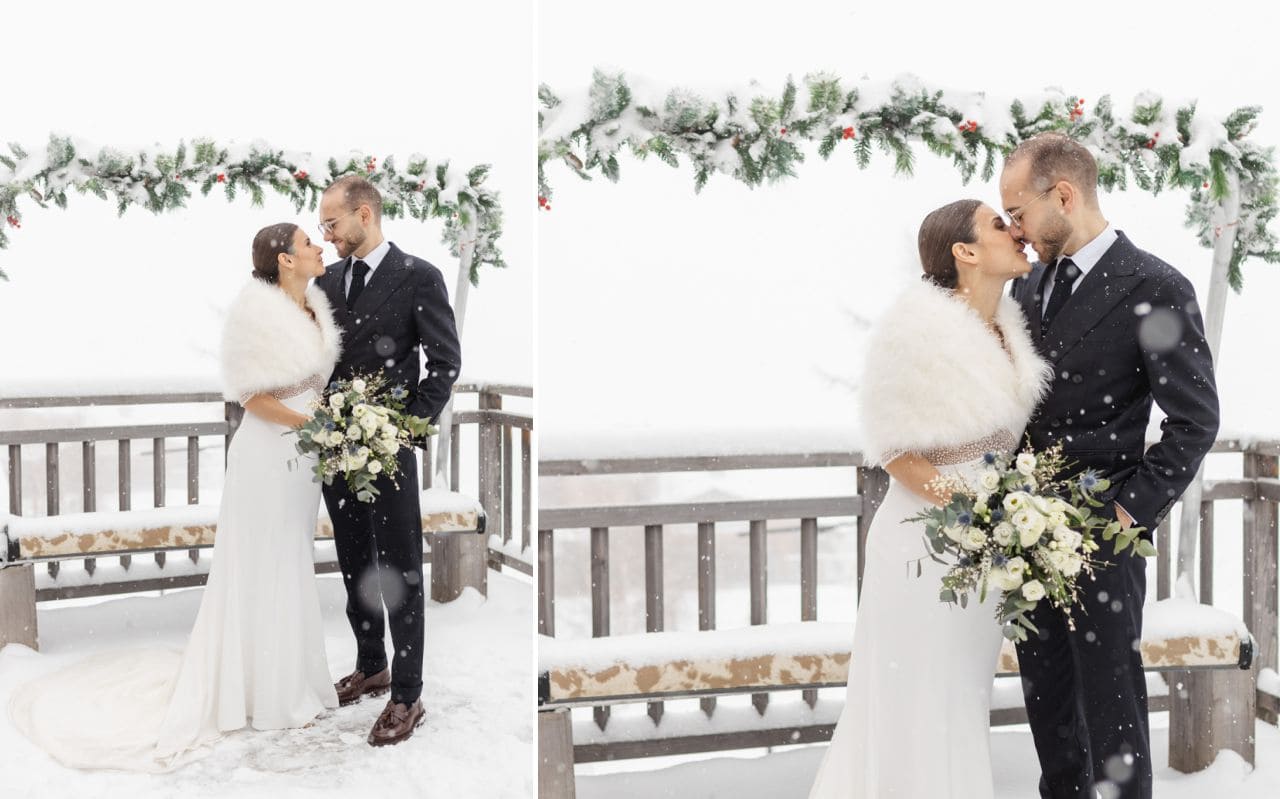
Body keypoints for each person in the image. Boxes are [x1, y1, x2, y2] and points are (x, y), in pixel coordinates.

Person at [9, 223, 343, 770]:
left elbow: (318, 382)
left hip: (303, 461)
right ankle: (259, 691)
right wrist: (310, 424)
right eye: (308, 242)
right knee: (262, 564)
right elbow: (251, 396)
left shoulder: (316, 307)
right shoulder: (253, 313)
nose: (319, 247)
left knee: (291, 560)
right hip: (267, 455)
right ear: (285, 259)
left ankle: (289, 680)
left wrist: (324, 426)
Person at [1001, 132, 1219, 799]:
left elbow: (1194, 420)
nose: (1016, 231)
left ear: (1063, 195)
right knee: (1049, 708)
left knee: (1111, 712)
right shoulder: (1027, 283)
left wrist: (1127, 513)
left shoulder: (1156, 285)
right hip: (1027, 537)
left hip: (1104, 540)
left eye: (1018, 213)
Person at [809, 199, 1051, 797]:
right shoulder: (912, 330)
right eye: (999, 225)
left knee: (960, 697)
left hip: (988, 546)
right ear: (964, 251)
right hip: (924, 541)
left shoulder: (1011, 325)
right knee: (912, 698)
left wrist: (1005, 519)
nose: (1017, 232)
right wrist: (976, 512)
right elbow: (895, 451)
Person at [313, 175, 462, 746]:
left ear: (365, 215)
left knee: (400, 571)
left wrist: (403, 430)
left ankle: (407, 694)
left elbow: (444, 364)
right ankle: (371, 664)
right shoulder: (325, 282)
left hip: (389, 452)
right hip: (336, 448)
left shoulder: (419, 276)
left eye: (332, 223)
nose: (326, 235)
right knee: (354, 563)